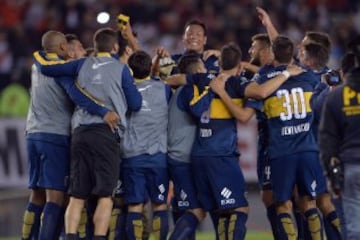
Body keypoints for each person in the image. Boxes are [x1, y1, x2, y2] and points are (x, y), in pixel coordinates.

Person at [38, 28, 142, 239]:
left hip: (80, 134)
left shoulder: (81, 64)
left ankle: (70, 236)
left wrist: (40, 53)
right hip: (106, 134)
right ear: (114, 47)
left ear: (95, 47)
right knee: (105, 197)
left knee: (77, 196)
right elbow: (136, 104)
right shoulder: (121, 69)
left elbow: (48, 69)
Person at [21, 30, 119, 240]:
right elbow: (77, 96)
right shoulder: (63, 71)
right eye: (79, 47)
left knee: (37, 195)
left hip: (33, 134)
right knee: (55, 198)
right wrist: (103, 111)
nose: (82, 52)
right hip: (54, 135)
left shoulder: (37, 65)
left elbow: (40, 54)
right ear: (65, 48)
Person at [255, 35, 325, 240]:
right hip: (308, 149)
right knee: (309, 203)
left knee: (283, 204)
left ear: (273, 53)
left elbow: (256, 98)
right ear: (292, 53)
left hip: (281, 151)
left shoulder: (265, 77)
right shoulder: (308, 77)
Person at [121, 50, 171, 240]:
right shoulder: (164, 89)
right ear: (150, 67)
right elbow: (163, 75)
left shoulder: (125, 90)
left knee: (135, 205)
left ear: (130, 70)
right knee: (159, 205)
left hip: (132, 156)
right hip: (158, 157)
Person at [319, 39, 360, 240]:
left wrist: (329, 173)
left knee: (352, 227)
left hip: (350, 166)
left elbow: (327, 137)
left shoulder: (336, 97)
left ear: (343, 73)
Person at [166, 53, 208, 240]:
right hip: (182, 158)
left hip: (177, 156)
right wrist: (212, 91)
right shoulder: (189, 89)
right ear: (199, 71)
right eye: (204, 68)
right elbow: (198, 110)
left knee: (183, 207)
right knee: (197, 210)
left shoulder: (180, 91)